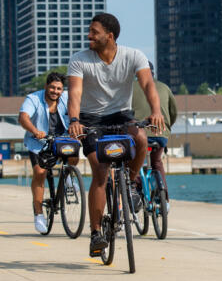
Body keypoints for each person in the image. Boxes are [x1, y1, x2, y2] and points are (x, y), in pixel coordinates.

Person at [67, 13, 165, 256]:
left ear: (109, 36)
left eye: (94, 32)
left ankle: (131, 183)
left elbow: (148, 85)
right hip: (89, 119)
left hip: (121, 114)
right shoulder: (80, 60)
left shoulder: (134, 56)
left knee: (141, 137)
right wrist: (74, 120)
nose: (89, 36)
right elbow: (75, 93)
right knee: (100, 172)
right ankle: (96, 233)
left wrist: (156, 111)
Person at [18, 72, 76, 233]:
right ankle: (38, 214)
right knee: (40, 172)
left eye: (58, 88)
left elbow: (77, 112)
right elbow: (23, 117)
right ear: (46, 86)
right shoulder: (33, 99)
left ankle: (69, 178)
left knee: (75, 149)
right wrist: (35, 131)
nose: (55, 91)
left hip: (61, 140)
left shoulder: (66, 97)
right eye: (52, 87)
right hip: (39, 142)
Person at [132, 61, 177, 196]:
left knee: (134, 164)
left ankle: (136, 189)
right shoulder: (164, 87)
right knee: (156, 162)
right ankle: (165, 198)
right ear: (153, 73)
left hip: (137, 134)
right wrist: (166, 128)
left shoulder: (129, 88)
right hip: (160, 133)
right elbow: (173, 113)